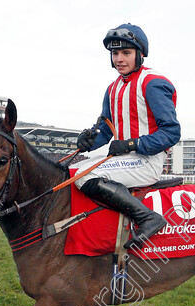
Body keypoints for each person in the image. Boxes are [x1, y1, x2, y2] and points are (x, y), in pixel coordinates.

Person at [74, 23, 180, 249]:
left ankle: (147, 218)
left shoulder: (153, 83)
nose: (119, 59)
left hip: (146, 161)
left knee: (82, 176)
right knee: (71, 171)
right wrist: (88, 142)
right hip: (123, 160)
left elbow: (172, 133)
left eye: (126, 53)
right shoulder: (112, 88)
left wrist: (132, 144)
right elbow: (105, 131)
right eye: (115, 53)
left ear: (140, 55)